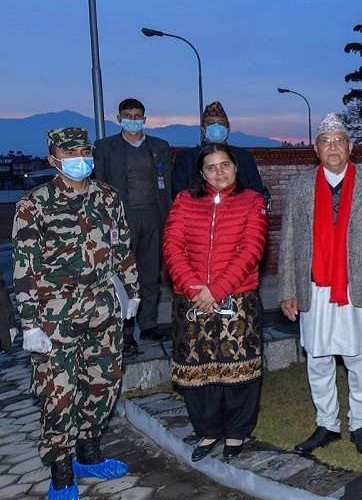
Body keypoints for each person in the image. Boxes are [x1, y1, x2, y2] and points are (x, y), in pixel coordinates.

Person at [14, 128, 138, 499]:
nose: (79, 159)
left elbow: (122, 247)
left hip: (103, 306)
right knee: (59, 393)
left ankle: (88, 452)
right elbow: (24, 268)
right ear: (53, 159)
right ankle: (61, 470)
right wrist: (29, 324)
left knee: (102, 384)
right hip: (55, 314)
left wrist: (131, 291)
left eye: (84, 152)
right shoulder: (34, 204)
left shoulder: (107, 197)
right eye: (69, 154)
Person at [278, 113, 362, 455]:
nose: (333, 147)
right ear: (316, 149)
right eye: (326, 142)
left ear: (351, 146)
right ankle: (327, 423)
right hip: (314, 287)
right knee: (317, 358)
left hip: (357, 285)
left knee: (359, 356)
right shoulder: (300, 187)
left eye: (339, 141)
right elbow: (288, 242)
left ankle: (360, 422)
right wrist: (287, 290)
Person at [162, 143, 268, 462]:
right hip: (191, 299)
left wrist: (217, 289)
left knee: (238, 371)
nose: (219, 172)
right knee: (199, 369)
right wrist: (195, 288)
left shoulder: (252, 201)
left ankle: (237, 432)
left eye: (224, 165)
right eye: (211, 167)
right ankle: (208, 430)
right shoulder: (184, 201)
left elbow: (252, 250)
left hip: (237, 298)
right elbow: (172, 246)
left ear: (236, 167)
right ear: (201, 173)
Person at [94, 98, 173, 352]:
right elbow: (100, 186)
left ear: (144, 119)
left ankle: (148, 324)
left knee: (150, 274)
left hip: (153, 216)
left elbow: (167, 186)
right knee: (121, 276)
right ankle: (125, 331)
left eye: (137, 115)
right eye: (127, 115)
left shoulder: (159, 147)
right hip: (120, 219)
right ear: (119, 118)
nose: (132, 119)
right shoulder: (105, 148)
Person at [172, 101, 270, 204]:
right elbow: (179, 195)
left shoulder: (243, 157)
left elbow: (255, 192)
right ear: (202, 128)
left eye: (221, 123)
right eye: (211, 123)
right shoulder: (187, 159)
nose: (216, 127)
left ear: (228, 128)